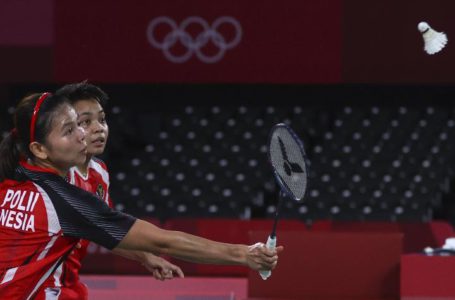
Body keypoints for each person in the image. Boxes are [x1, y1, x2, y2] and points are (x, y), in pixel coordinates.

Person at [0, 92, 283, 299]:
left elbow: (101, 230)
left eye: (81, 125)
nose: (83, 136)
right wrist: (243, 254)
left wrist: (143, 257)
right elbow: (165, 241)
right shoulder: (65, 200)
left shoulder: (13, 179)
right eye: (70, 130)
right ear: (39, 149)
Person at [36, 83, 183, 300]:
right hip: (35, 286)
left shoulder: (99, 172)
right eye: (85, 122)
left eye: (102, 120)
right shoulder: (54, 175)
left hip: (68, 285)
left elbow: (106, 231)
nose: (98, 128)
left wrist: (145, 257)